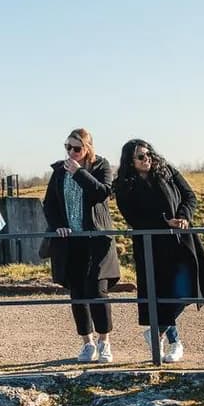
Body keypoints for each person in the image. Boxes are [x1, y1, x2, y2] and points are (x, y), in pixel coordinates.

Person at [112, 139, 204, 363]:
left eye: (148, 154)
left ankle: (157, 332)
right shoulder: (123, 185)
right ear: (130, 162)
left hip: (181, 242)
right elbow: (133, 217)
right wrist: (164, 223)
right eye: (140, 156)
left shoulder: (167, 171)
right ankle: (174, 342)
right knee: (161, 295)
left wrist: (183, 216)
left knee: (186, 289)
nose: (147, 159)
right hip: (152, 247)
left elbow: (189, 196)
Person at [43, 127, 121, 363]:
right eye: (67, 147)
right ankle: (87, 343)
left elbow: (103, 193)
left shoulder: (101, 166)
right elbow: (50, 204)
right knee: (77, 292)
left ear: (87, 148)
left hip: (96, 240)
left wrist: (79, 172)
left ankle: (104, 341)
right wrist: (58, 225)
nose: (71, 152)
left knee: (97, 290)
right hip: (71, 242)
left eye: (76, 148)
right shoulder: (59, 171)